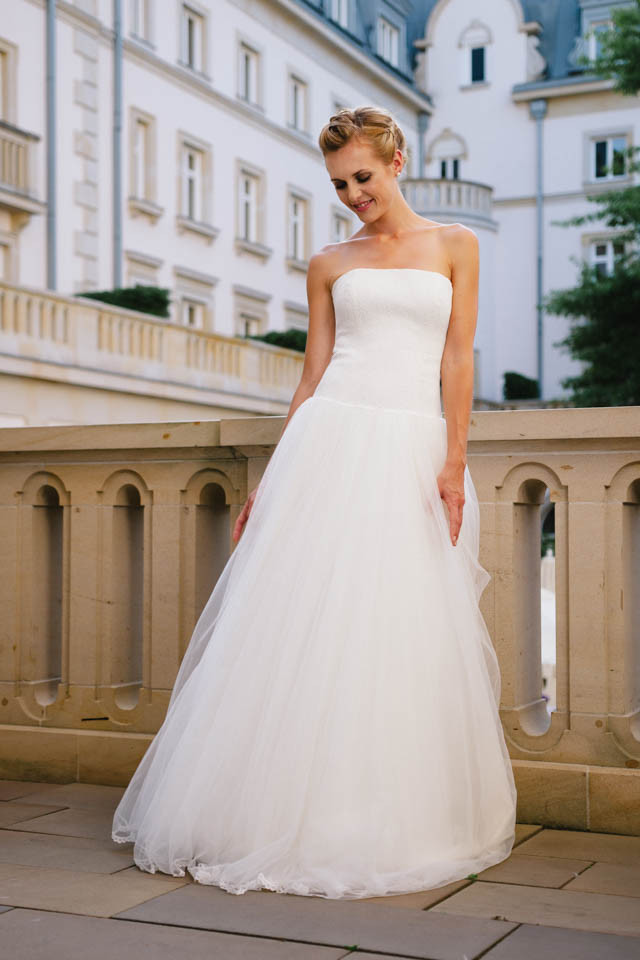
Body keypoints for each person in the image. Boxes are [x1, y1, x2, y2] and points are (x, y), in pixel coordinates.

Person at [112, 105, 517, 900]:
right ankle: (273, 812)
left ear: (397, 161)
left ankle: (380, 812)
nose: (353, 193)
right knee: (304, 625)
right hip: (328, 443)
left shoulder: (456, 246)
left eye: (363, 176)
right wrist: (271, 478)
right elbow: (312, 374)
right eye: (339, 183)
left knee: (394, 624)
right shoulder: (330, 261)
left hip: (409, 443)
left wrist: (452, 458)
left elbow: (458, 359)